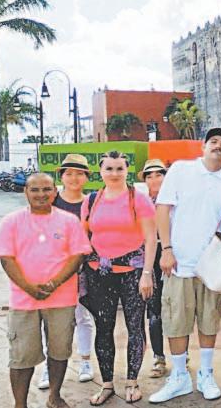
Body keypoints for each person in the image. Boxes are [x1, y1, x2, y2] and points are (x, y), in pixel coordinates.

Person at [150, 125, 221, 404]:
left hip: (211, 267)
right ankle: (179, 377)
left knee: (209, 320)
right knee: (176, 321)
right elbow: (162, 209)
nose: (218, 146)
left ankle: (206, 374)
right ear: (203, 145)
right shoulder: (181, 170)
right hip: (178, 263)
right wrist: (166, 249)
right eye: (213, 141)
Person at [0, 173, 91, 408]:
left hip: (62, 299)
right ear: (25, 192)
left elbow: (77, 256)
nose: (41, 194)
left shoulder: (69, 221)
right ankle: (20, 404)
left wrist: (55, 283)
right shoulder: (11, 221)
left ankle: (54, 396)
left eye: (47, 189)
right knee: (21, 356)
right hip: (23, 301)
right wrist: (29, 288)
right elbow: (6, 259)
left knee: (60, 351)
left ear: (55, 192)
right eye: (35, 190)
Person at [79, 151, 157, 405]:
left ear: (127, 171)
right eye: (109, 169)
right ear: (100, 171)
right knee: (103, 328)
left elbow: (150, 239)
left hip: (133, 274)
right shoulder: (92, 200)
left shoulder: (138, 199)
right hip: (100, 274)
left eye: (119, 169)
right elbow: (84, 237)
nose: (114, 174)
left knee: (135, 327)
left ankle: (132, 381)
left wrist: (147, 274)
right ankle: (107, 384)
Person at [35, 154, 96, 390]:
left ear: (87, 177)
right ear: (61, 176)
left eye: (79, 173)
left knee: (82, 316)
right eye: (69, 173)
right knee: (51, 320)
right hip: (52, 270)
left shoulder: (92, 203)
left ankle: (85, 361)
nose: (74, 178)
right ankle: (49, 367)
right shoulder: (50, 202)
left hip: (83, 270)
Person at [140, 159, 169, 378]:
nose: (154, 179)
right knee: (154, 311)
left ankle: (182, 353)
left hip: (172, 256)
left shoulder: (174, 200)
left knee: (178, 309)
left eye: (158, 174)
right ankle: (159, 357)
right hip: (148, 258)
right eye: (149, 176)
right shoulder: (141, 202)